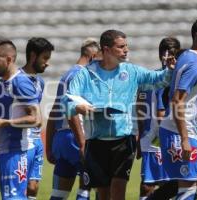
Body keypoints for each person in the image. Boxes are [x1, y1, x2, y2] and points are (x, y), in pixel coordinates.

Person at [62, 29, 173, 200]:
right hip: (96, 141)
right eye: (121, 47)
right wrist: (80, 107)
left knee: (118, 189)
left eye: (126, 46)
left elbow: (158, 80)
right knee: (103, 193)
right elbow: (67, 101)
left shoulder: (131, 71)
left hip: (124, 140)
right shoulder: (86, 73)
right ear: (106, 50)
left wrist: (170, 71)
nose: (126, 50)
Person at [159, 16, 197, 200]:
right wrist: (184, 139)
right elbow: (177, 101)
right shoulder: (195, 64)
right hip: (179, 133)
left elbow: (181, 99)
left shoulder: (187, 56)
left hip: (183, 128)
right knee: (187, 188)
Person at [0, 39, 43, 199]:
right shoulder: (0, 84)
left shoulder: (21, 82)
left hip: (17, 151)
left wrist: (5, 123)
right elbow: (1, 118)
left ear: (9, 59)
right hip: (4, 151)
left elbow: (36, 119)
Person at [46, 38, 100, 200]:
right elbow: (72, 110)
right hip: (77, 136)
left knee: (59, 193)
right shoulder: (83, 75)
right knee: (88, 187)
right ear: (93, 56)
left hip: (62, 139)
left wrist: (49, 146)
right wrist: (82, 143)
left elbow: (54, 112)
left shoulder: (66, 76)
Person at [137, 37, 180, 200]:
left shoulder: (148, 78)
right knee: (165, 183)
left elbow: (139, 105)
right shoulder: (171, 78)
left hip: (151, 138)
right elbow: (158, 112)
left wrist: (140, 135)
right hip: (162, 137)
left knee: (152, 182)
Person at [21, 37, 55, 199]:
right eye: (45, 58)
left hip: (36, 140)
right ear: (33, 56)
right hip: (20, 141)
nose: (47, 62)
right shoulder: (16, 79)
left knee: (33, 187)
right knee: (20, 186)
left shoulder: (40, 82)